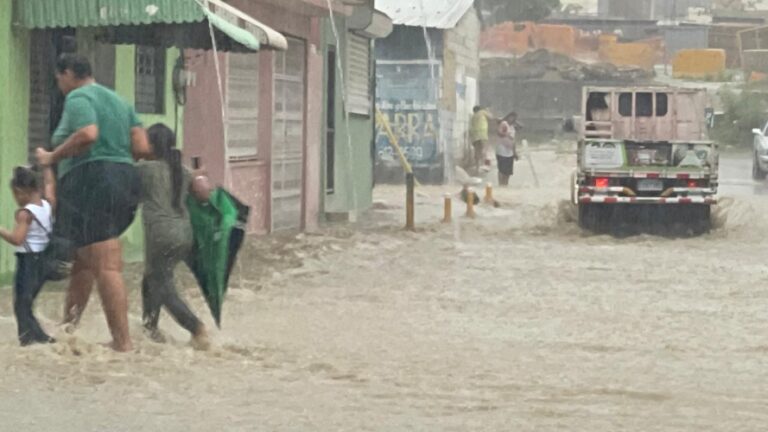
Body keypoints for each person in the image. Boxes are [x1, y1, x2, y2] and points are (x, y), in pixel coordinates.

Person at [36, 53, 151, 352]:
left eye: (59, 78)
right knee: (83, 262)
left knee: (106, 263)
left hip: (93, 181)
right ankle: (67, 331)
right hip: (125, 179)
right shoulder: (120, 102)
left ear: (69, 73)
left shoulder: (78, 97)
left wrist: (52, 157)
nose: (59, 84)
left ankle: (123, 343)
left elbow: (88, 134)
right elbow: (141, 146)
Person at [138, 124, 211, 350]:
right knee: (151, 279)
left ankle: (196, 328)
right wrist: (198, 176)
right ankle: (150, 329)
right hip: (183, 232)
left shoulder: (145, 169)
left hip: (161, 234)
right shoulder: (182, 170)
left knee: (161, 284)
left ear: (151, 145)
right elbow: (203, 193)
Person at [0, 167, 56, 346]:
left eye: (15, 195)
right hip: (43, 260)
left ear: (20, 191)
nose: (16, 199)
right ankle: (35, 340)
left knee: (21, 306)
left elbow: (17, 239)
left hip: (28, 262)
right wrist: (46, 166)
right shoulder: (46, 205)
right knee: (26, 305)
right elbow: (49, 184)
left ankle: (36, 341)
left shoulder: (25, 213)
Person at [495, 112, 520, 187]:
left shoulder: (512, 127)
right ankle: (500, 185)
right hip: (502, 150)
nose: (511, 119)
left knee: (508, 172)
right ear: (508, 116)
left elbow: (514, 139)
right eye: (511, 117)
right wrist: (507, 134)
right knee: (502, 170)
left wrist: (515, 152)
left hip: (510, 151)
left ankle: (505, 185)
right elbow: (499, 133)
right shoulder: (504, 124)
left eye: (514, 118)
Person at [470, 106, 495, 174]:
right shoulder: (482, 112)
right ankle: (485, 166)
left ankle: (477, 168)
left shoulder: (473, 116)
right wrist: (488, 111)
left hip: (475, 136)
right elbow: (491, 117)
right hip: (482, 134)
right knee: (484, 150)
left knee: (477, 152)